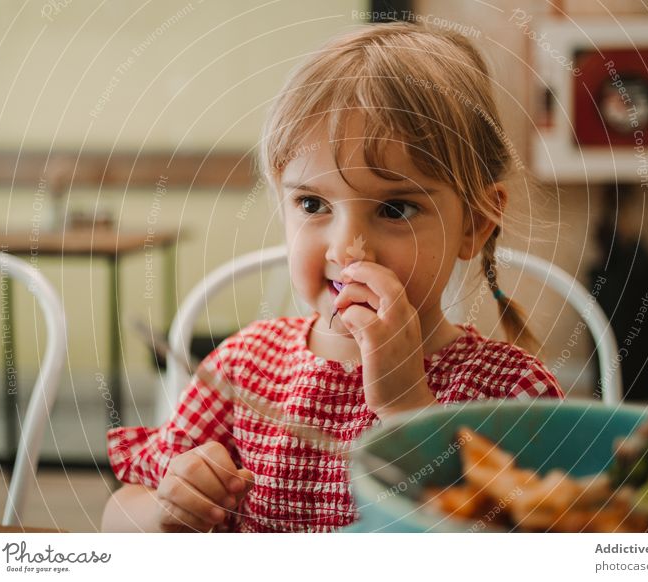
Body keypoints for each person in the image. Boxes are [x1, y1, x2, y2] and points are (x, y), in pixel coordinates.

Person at [101, 22, 563, 533]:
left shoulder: (512, 394)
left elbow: (528, 547)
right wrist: (168, 512)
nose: (346, 248)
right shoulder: (241, 371)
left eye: (394, 208)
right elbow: (119, 513)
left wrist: (407, 409)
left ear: (474, 221)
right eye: (312, 203)